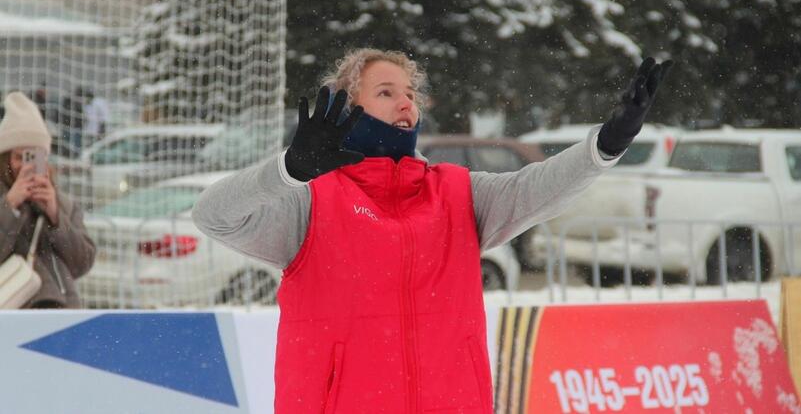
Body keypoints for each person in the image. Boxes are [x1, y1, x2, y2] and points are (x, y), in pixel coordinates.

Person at [192, 48, 672, 413]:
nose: (406, 102)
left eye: (410, 93)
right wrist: (289, 169)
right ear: (345, 109)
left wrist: (607, 143)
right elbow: (214, 215)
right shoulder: (312, 201)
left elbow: (536, 188)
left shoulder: (455, 194)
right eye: (386, 92)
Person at [0, 92, 95, 309]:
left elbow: (82, 264)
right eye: (18, 157)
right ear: (4, 159)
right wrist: (10, 206)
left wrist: (55, 216)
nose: (25, 165)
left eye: (33, 156)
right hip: (10, 312)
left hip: (60, 314)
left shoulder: (62, 203)